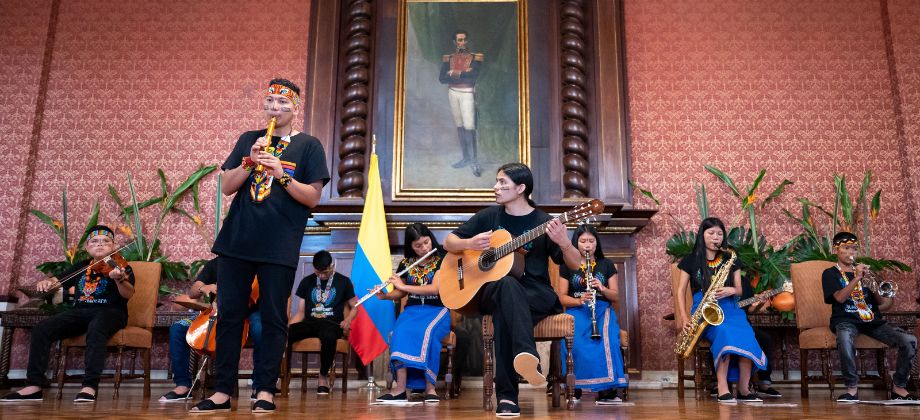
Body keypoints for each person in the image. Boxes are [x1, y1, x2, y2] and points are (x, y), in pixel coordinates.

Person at [191, 78, 330, 413]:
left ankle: (264, 390)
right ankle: (222, 391)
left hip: (278, 246)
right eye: (270, 102)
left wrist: (282, 173)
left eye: (283, 103)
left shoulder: (309, 146)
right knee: (228, 317)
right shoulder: (248, 140)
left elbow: (311, 197)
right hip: (237, 241)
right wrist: (247, 163)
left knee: (272, 319)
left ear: (295, 108)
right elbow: (227, 187)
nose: (275, 108)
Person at [444, 162, 582, 417]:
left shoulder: (545, 222)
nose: (495, 187)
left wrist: (564, 244)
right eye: (497, 182)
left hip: (535, 294)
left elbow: (576, 265)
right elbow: (449, 241)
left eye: (502, 183)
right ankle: (528, 355)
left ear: (520, 188)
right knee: (507, 285)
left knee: (505, 312)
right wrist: (469, 242)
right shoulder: (489, 216)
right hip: (491, 290)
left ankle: (507, 398)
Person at [1, 225, 135, 403]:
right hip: (80, 311)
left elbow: (129, 294)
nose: (100, 244)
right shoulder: (81, 266)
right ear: (87, 247)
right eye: (95, 241)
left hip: (111, 312)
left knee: (97, 325)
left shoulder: (120, 265)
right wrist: (47, 282)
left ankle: (89, 386)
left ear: (113, 246)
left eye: (106, 241)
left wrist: (119, 279)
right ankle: (34, 386)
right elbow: (57, 282)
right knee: (42, 328)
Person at [676, 217, 766, 404]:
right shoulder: (690, 260)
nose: (715, 237)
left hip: (731, 307)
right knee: (724, 332)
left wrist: (731, 290)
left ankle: (743, 388)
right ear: (702, 235)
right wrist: (684, 317)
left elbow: (740, 290)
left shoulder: (731, 258)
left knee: (748, 335)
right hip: (705, 308)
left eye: (719, 233)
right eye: (711, 233)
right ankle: (722, 387)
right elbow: (679, 291)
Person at [822, 231, 918, 402]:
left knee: (910, 340)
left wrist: (872, 285)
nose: (851, 252)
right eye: (846, 248)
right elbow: (839, 298)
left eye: (854, 249)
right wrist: (856, 278)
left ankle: (899, 387)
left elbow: (884, 304)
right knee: (844, 339)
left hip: (872, 321)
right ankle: (852, 390)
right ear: (836, 250)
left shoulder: (867, 273)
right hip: (846, 320)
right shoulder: (830, 273)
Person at [158, 258, 263, 402]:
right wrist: (204, 288)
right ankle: (183, 385)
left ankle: (259, 385)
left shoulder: (260, 263)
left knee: (261, 329)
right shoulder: (217, 263)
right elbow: (193, 292)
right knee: (178, 328)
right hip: (216, 311)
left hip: (251, 311)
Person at [375, 223, 450, 404]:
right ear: (410, 246)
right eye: (418, 246)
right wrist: (385, 295)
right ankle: (400, 390)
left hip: (437, 310)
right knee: (399, 333)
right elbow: (400, 293)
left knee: (427, 334)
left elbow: (434, 289)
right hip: (412, 310)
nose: (424, 248)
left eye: (426, 242)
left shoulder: (442, 259)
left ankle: (430, 388)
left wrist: (403, 285)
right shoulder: (406, 264)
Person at [556, 224, 628, 404]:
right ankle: (575, 387)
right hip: (577, 310)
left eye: (591, 241)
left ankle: (607, 390)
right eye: (582, 241)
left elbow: (616, 296)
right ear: (575, 243)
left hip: (602, 309)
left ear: (597, 243)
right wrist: (579, 300)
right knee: (575, 342)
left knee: (609, 338)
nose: (587, 245)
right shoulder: (566, 266)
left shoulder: (607, 264)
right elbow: (562, 298)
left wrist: (602, 288)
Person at [288, 250, 358, 395]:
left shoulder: (344, 282)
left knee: (328, 336)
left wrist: (348, 320)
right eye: (318, 272)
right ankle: (282, 375)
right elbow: (300, 313)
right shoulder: (307, 281)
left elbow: (355, 306)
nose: (321, 275)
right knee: (285, 334)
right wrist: (288, 327)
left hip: (332, 324)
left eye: (324, 272)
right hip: (310, 323)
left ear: (331, 266)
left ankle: (323, 376)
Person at [439, 30, 483, 177]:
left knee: (470, 126)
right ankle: (465, 158)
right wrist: (463, 72)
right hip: (452, 93)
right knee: (460, 126)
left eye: (464, 40)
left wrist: (454, 73)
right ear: (455, 42)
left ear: (467, 41)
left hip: (467, 94)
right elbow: (442, 78)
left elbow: (473, 77)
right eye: (459, 40)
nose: (462, 42)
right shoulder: (448, 58)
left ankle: (474, 161)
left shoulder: (475, 57)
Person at [738, 273, 782, 398]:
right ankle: (716, 382)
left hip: (743, 323)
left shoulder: (744, 281)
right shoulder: (715, 278)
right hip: (721, 322)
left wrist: (761, 303)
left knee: (765, 339)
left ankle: (764, 382)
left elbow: (750, 310)